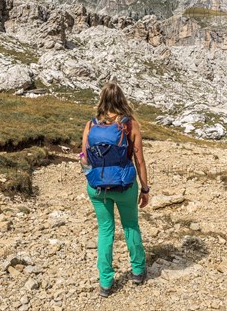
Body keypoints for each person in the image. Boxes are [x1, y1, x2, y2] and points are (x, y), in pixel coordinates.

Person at [81, 81, 149, 297]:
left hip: (97, 187)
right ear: (122, 100)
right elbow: (139, 160)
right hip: (124, 185)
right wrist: (145, 189)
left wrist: (92, 176)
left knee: (105, 230)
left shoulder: (91, 125)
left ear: (102, 99)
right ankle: (138, 271)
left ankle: (106, 282)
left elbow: (83, 156)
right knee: (130, 226)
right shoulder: (130, 125)